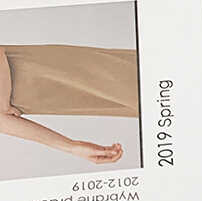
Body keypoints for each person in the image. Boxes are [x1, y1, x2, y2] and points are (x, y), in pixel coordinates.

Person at [0, 43, 139, 164]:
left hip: (41, 70)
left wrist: (3, 105)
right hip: (52, 100)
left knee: (135, 76)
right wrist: (71, 147)